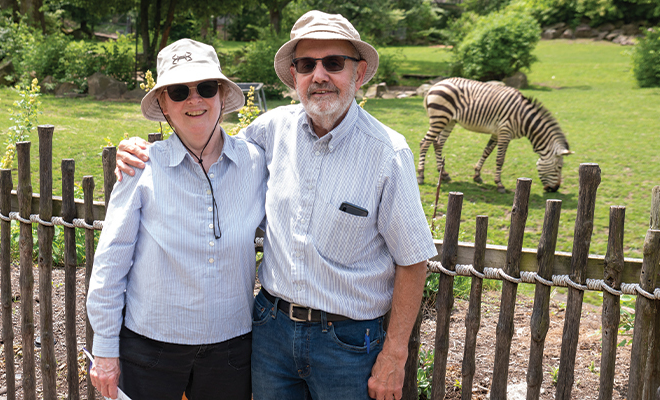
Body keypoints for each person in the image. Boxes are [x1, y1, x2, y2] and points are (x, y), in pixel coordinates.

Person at [116, 11, 437, 400]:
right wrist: (141, 150)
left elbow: (413, 259)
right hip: (271, 332)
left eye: (333, 63)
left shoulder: (388, 154)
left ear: (360, 72)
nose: (319, 75)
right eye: (307, 65)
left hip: (348, 343)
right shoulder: (271, 130)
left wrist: (395, 353)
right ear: (295, 76)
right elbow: (207, 147)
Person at [86, 38, 266, 400]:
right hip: (150, 350)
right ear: (164, 105)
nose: (194, 99)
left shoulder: (255, 162)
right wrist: (105, 351)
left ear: (221, 97)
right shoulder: (141, 168)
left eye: (206, 87)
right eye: (179, 91)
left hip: (230, 349)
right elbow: (110, 265)